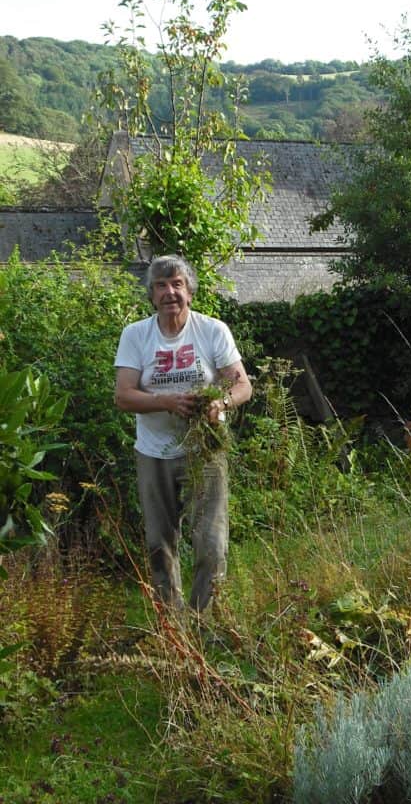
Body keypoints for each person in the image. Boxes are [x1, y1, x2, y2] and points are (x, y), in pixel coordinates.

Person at [114, 255, 252, 612]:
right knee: (160, 545)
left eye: (176, 284)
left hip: (204, 451)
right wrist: (166, 402)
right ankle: (173, 629)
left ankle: (203, 623)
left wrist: (219, 403)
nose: (169, 292)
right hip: (154, 453)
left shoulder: (212, 330)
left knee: (211, 543)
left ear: (189, 291)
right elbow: (124, 395)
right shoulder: (136, 335)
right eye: (161, 285)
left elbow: (241, 386)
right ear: (151, 295)